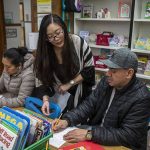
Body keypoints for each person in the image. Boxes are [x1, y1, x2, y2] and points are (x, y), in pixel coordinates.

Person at [52, 48, 150, 150]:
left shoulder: (142, 97)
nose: (108, 73)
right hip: (97, 134)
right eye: (108, 69)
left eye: (113, 71)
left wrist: (89, 135)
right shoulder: (106, 82)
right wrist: (67, 120)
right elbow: (89, 105)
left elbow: (128, 135)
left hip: (122, 145)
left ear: (129, 73)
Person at [34, 14, 95, 115]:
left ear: (64, 28)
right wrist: (45, 101)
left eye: (58, 32)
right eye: (50, 36)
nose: (56, 38)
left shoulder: (77, 42)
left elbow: (89, 70)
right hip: (57, 99)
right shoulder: (44, 51)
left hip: (81, 95)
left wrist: (69, 84)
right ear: (45, 38)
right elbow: (41, 79)